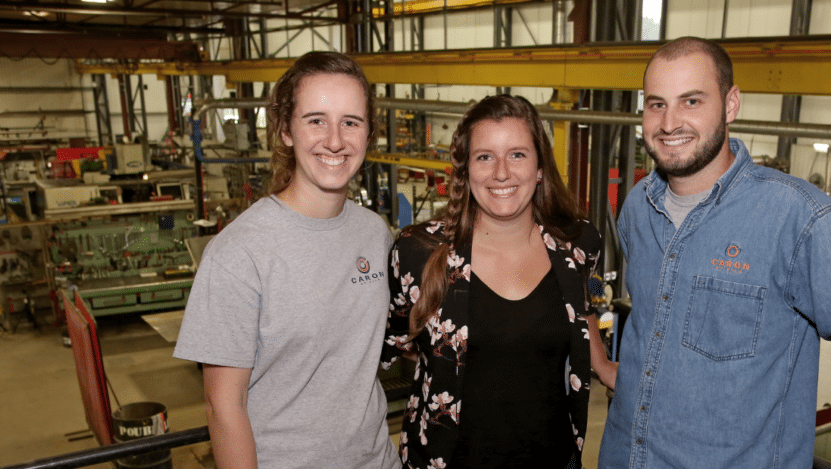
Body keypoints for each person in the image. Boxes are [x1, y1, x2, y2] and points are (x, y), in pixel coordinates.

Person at [599, 37, 831, 469]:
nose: (669, 122)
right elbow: (652, 330)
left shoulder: (800, 219)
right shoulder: (638, 208)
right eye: (656, 104)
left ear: (731, 104)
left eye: (692, 101)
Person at [173, 51, 399, 469]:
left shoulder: (374, 232)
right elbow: (223, 407)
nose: (335, 140)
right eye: (316, 120)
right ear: (285, 130)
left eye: (351, 122)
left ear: (369, 133)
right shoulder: (239, 253)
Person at [381, 94, 617, 469]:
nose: (502, 173)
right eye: (485, 157)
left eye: (517, 154)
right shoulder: (418, 252)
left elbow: (583, 305)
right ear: (465, 171)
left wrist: (601, 363)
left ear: (540, 167)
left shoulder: (578, 243)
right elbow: (396, 338)